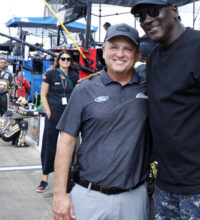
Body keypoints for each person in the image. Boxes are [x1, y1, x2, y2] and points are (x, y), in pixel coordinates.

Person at [131, 1, 200, 219]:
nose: (146, 20)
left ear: (173, 9)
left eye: (153, 11)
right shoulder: (155, 56)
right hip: (168, 186)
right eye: (141, 15)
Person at [52, 23, 149, 220]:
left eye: (127, 49)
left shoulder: (151, 87)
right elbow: (66, 143)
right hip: (89, 197)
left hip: (135, 198)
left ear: (137, 55)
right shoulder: (84, 90)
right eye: (113, 47)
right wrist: (59, 194)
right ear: (103, 51)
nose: (120, 54)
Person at [37, 51, 79, 193]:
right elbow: (43, 93)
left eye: (68, 59)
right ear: (58, 60)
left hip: (69, 114)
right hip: (53, 113)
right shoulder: (50, 74)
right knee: (49, 145)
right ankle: (45, 179)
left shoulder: (74, 75)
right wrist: (48, 111)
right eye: (63, 58)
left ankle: (67, 179)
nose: (66, 61)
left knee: (69, 147)